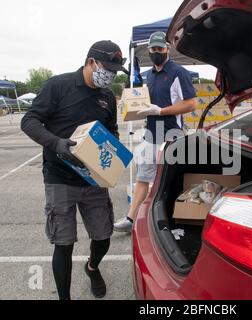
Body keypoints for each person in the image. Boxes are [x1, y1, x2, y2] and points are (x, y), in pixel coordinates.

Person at [21, 40, 128, 300]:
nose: (111, 76)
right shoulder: (58, 86)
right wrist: (57, 143)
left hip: (93, 178)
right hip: (60, 177)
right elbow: (29, 121)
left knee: (103, 236)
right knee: (64, 243)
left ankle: (92, 267)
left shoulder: (106, 97)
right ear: (91, 62)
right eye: (108, 69)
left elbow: (111, 130)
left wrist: (112, 151)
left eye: (115, 71)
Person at [114, 31, 197, 233]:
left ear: (168, 49)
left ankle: (173, 221)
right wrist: (131, 107)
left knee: (171, 181)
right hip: (150, 136)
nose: (156, 52)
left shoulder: (179, 73)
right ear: (149, 50)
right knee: (143, 178)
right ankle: (130, 219)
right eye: (153, 49)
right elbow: (141, 102)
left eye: (160, 48)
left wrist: (160, 111)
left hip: (171, 136)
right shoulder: (148, 75)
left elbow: (191, 104)